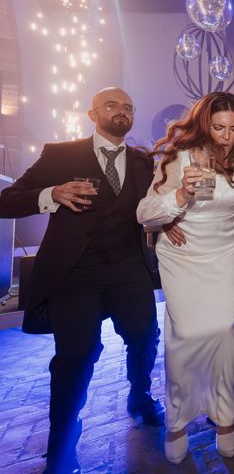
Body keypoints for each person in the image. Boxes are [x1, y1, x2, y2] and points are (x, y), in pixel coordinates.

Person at [0, 87, 163, 473]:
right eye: (112, 105)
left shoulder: (143, 162)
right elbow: (7, 200)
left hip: (127, 268)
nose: (121, 112)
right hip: (76, 271)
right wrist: (51, 193)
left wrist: (165, 224)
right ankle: (61, 441)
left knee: (144, 336)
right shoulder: (61, 153)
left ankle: (139, 396)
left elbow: (153, 207)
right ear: (93, 114)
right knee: (76, 355)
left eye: (128, 107)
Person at [136, 91, 234, 463]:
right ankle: (178, 419)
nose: (226, 135)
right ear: (204, 123)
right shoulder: (178, 156)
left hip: (224, 254)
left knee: (222, 330)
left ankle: (225, 418)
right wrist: (177, 203)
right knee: (185, 335)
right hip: (183, 256)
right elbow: (145, 212)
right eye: (218, 127)